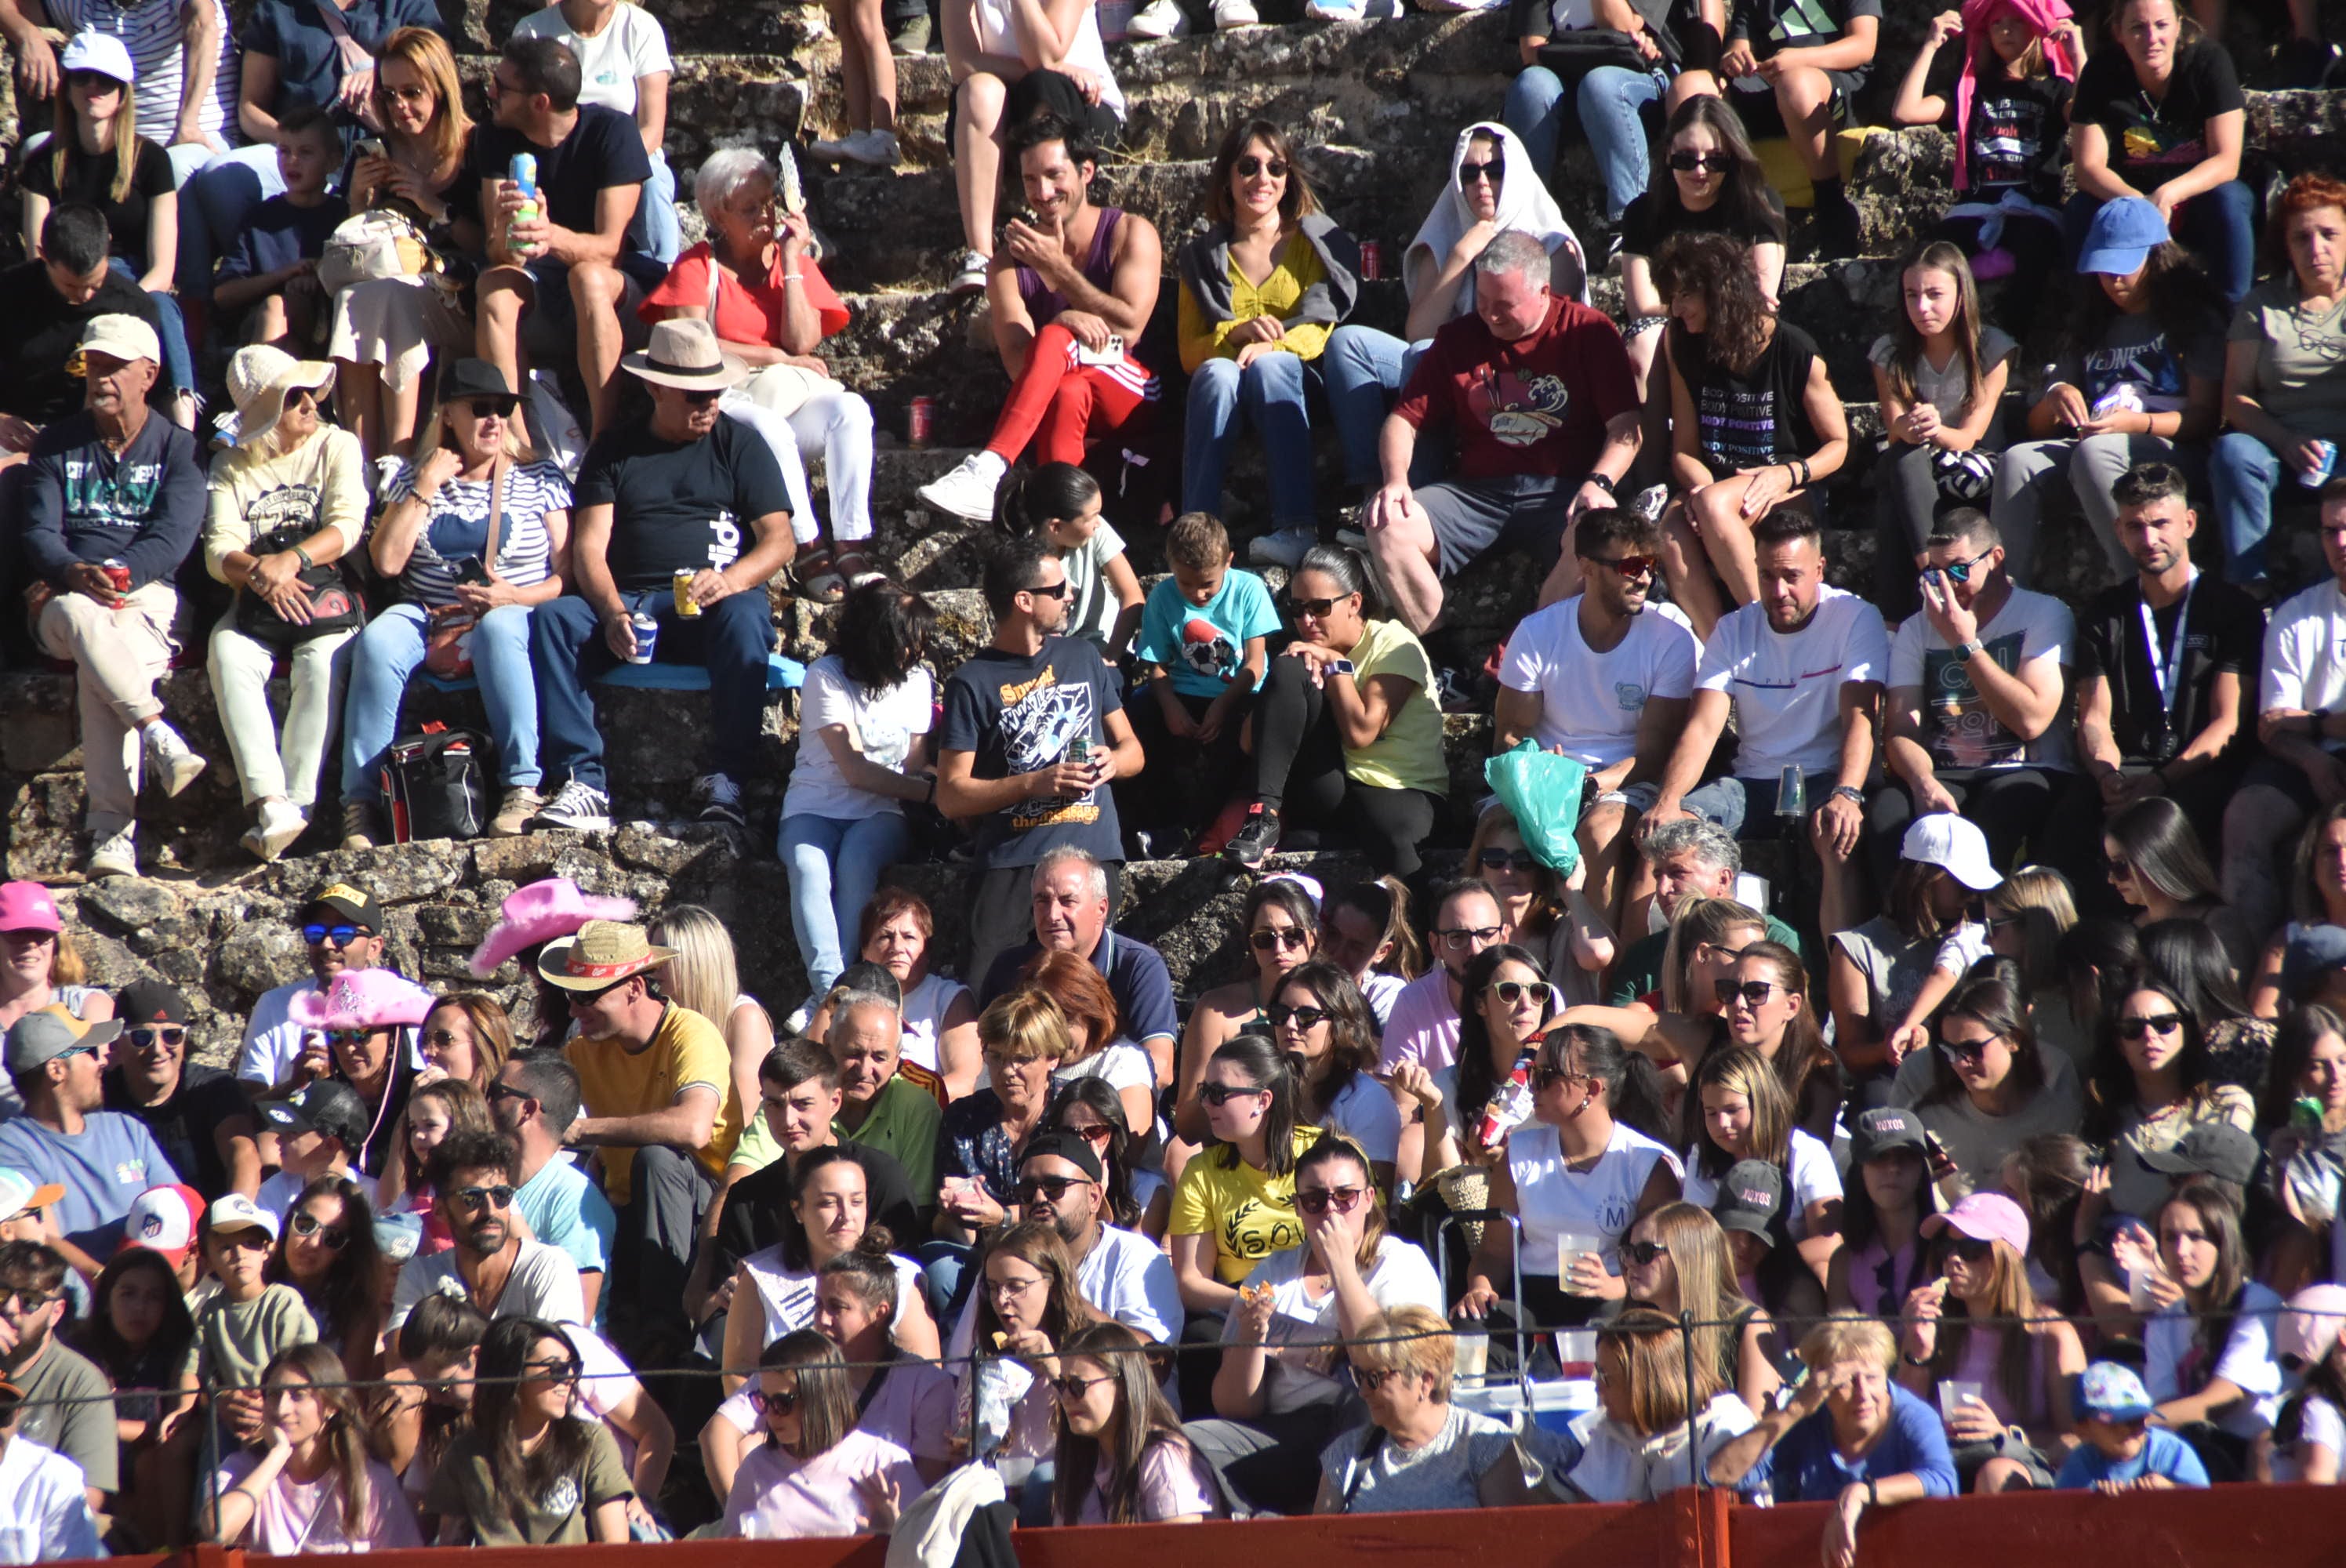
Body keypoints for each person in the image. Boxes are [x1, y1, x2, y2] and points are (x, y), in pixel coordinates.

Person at [527, 316, 795, 833]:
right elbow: (589, 546)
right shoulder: (615, 450)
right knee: (557, 619)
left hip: (710, 604)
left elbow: (780, 540)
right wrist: (612, 612)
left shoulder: (740, 444)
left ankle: (728, 777)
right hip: (633, 603)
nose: (709, 405)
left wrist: (732, 579)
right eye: (695, 397)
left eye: (715, 392)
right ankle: (583, 780)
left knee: (746, 613)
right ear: (655, 388)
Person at [340, 360, 572, 848]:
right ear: (448, 415)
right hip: (431, 613)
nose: (494, 420)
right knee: (379, 640)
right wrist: (425, 486)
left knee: (498, 628)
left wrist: (513, 596)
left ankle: (523, 787)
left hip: (512, 609)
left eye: (503, 409)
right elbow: (386, 562)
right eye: (480, 409)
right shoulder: (414, 477)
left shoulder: (540, 476)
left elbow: (566, 576)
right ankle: (359, 805)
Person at [1364, 229, 1639, 639]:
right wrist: (1396, 481)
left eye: (1504, 306)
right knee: (1386, 523)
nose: (1490, 316)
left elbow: (1626, 427)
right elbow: (1404, 420)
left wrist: (1599, 482)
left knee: (1597, 533)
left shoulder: (1589, 332)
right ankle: (1440, 657)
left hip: (1561, 492)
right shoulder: (1459, 338)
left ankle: (1530, 646)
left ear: (1544, 291)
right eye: (1483, 301)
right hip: (1478, 494)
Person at [14, 312, 205, 880]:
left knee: (105, 671)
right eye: (94, 363)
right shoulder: (56, 444)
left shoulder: (178, 450)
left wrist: (117, 577)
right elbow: (37, 532)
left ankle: (109, 835)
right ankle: (155, 732)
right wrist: (75, 572)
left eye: (116, 366)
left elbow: (173, 539)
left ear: (149, 374)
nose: (101, 377)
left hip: (145, 599)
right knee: (80, 615)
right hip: (63, 599)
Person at [1649, 508, 1885, 946]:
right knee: (1673, 834)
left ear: (1819, 570)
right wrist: (1669, 800)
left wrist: (1847, 793)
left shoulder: (1854, 618)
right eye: (1766, 577)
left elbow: (1860, 717)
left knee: (1835, 835)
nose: (1778, 592)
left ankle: (1842, 973)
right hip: (1753, 782)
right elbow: (1703, 726)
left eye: (1792, 577)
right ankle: (1667, 967)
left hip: (1824, 777)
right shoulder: (1734, 629)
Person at [1322, 122, 1589, 506]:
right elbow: (1419, 329)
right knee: (1350, 344)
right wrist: (1462, 255)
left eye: (1495, 171)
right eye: (1470, 172)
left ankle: (1417, 495)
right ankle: (1372, 490)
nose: (1482, 182)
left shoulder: (1551, 243)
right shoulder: (1450, 227)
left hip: (1512, 373)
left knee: (1422, 355)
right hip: (1443, 359)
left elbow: (1550, 337)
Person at [940, 539, 1147, 991]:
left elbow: (1133, 751)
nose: (1070, 593)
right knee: (985, 995)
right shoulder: (971, 682)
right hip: (1012, 860)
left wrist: (1112, 761)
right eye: (1059, 588)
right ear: (1024, 601)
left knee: (1084, 995)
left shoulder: (1083, 657)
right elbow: (950, 794)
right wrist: (1034, 782)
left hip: (1090, 853)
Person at [1189, 1134, 1436, 1513]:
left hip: (1366, 1423)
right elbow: (1233, 1406)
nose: (1331, 1212)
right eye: (1316, 1200)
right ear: (1299, 1208)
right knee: (1184, 1444)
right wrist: (1251, 1339)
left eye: (1345, 1197)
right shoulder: (1274, 1272)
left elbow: (1388, 1367)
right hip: (1284, 1428)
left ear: (1369, 1199)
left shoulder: (1400, 1264)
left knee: (1368, 1412)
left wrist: (1341, 1268)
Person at [920, 117, 1155, 510]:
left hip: (1133, 390)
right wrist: (1060, 327)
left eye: (1054, 175)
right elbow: (1017, 365)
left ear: (1086, 172)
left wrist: (1060, 274)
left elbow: (1128, 330)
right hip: (1069, 392)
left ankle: (991, 466)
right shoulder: (1006, 264)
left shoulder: (1130, 232)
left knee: (1056, 338)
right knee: (1065, 388)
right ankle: (1063, 527)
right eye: (1030, 180)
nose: (1043, 193)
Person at [1993, 198, 2226, 579]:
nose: (2113, 279)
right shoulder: (2091, 323)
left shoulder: (2195, 319)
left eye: (2124, 267)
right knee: (2018, 461)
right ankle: (2004, 596)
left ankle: (2138, 585)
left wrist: (2136, 424)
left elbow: (2205, 418)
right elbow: (2039, 429)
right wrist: (2056, 397)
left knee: (2095, 453)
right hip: (2099, 445)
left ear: (2156, 258)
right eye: (2103, 269)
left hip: (2173, 450)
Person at [2055, 463, 2257, 895]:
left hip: (2201, 769)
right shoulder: (2104, 614)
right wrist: (2107, 774)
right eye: (2135, 526)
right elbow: (2093, 718)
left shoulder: (2232, 610)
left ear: (2189, 523)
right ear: (2119, 530)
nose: (2149, 539)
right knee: (2069, 817)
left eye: (2161, 523)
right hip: (2127, 770)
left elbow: (2227, 723)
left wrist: (2163, 781)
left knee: (2164, 822)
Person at [1496, 506, 1699, 927]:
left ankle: (1599, 981)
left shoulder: (1671, 638)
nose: (1644, 578)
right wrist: (1542, 776)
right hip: (1546, 773)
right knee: (1497, 839)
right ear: (1586, 566)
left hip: (1625, 779)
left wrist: (1585, 787)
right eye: (1630, 566)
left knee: (1600, 832)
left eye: (1651, 565)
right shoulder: (1537, 634)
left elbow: (1655, 752)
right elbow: (1510, 737)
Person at [201, 343, 365, 863]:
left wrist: (290, 560)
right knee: (227, 651)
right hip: (256, 597)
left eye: (308, 395)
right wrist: (261, 572)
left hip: (323, 590)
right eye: (295, 399)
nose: (311, 406)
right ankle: (271, 801)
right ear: (269, 411)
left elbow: (347, 524)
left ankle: (299, 802)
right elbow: (218, 548)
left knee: (322, 662)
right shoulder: (230, 464)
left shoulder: (337, 445)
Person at [546, 920, 739, 1358]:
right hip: (628, 1211)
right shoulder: (582, 1050)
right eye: (569, 998)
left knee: (658, 1159)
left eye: (587, 997)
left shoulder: (690, 1032)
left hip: (701, 1211)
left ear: (634, 988)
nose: (575, 1011)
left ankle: (667, 1332)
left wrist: (585, 1130)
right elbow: (538, 1105)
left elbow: (693, 1128)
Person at [1175, 120, 1358, 566]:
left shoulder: (1314, 244)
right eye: (1249, 166)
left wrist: (1272, 347)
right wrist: (1233, 334)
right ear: (1228, 177)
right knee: (1216, 372)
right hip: (1228, 383)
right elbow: (1188, 351)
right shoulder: (1201, 258)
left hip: (1295, 381)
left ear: (1288, 177)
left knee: (1271, 367)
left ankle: (1296, 526)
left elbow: (1319, 326)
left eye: (1276, 167)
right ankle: (1196, 535)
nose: (1263, 179)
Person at [1651, 231, 1848, 637]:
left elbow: (1839, 443)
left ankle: (1773, 637)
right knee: (1670, 532)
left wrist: (1788, 473)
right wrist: (1701, 496)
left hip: (1785, 486)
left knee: (1716, 506)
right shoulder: (1681, 342)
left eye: (1686, 294)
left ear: (1719, 290)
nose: (1676, 308)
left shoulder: (1794, 349)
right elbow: (1684, 450)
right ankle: (1725, 649)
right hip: (1715, 489)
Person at [464, 35, 660, 440]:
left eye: (502, 87)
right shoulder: (495, 137)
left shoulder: (612, 132)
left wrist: (550, 237)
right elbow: (497, 253)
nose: (490, 92)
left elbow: (610, 249)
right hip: (542, 294)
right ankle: (516, 445)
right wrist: (506, 230)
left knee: (587, 277)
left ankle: (603, 442)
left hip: (615, 297)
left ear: (540, 102)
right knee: (494, 285)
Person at [1220, 546, 1449, 877]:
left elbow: (1361, 733)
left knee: (1390, 836)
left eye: (1319, 607)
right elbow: (1249, 743)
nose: (1307, 620)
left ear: (1354, 603)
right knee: (1289, 670)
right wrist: (1283, 679)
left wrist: (1338, 667)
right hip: (1338, 788)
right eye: (1297, 609)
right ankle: (1263, 816)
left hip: (1402, 788)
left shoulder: (1394, 643)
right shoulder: (1305, 654)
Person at [1453, 1023, 1683, 1348]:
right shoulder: (1519, 1153)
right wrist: (1480, 1288)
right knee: (1473, 1326)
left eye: (1546, 1077)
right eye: (1532, 1073)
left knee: (1612, 1326)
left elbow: (1667, 1264)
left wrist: (1616, 1286)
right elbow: (1494, 1253)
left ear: (1591, 1090)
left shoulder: (1647, 1165)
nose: (1533, 1086)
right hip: (1532, 1295)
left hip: (1612, 1298)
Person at [1874, 510, 2076, 879]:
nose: (1946, 587)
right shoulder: (1916, 628)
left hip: (2025, 768)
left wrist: (1964, 645)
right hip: (1946, 772)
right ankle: (1904, 927)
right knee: (1886, 816)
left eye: (1957, 570)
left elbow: (2031, 720)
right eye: (1934, 574)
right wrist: (1924, 783)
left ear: (1995, 560)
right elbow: (1901, 730)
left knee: (1997, 816)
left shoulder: (2044, 613)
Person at [778, 579, 937, 1016]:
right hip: (813, 807)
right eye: (907, 641)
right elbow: (854, 769)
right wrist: (932, 793)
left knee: (856, 862)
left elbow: (916, 759)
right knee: (809, 867)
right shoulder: (824, 676)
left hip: (881, 813)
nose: (915, 652)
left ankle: (833, 996)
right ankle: (834, 992)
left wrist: (936, 789)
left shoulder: (919, 681)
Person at [328, 27, 485, 466]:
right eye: (390, 93)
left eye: (412, 92)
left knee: (388, 296)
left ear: (441, 88)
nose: (399, 106)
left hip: (462, 298)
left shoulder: (476, 147)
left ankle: (394, 457)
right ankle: (362, 464)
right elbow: (353, 248)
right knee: (355, 296)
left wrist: (431, 205)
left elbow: (490, 245)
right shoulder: (377, 150)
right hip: (393, 293)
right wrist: (358, 199)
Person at [19, 31, 194, 422]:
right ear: (67, 88)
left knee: (162, 308)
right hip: (63, 278)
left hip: (133, 282)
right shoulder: (42, 163)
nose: (93, 88)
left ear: (123, 92)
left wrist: (121, 304)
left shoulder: (152, 161)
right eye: (82, 78)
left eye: (106, 80)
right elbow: (37, 254)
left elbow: (162, 269)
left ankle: (184, 420)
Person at [1892, 0, 2083, 337]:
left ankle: (2010, 344)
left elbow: (2089, 114)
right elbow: (1906, 112)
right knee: (1929, 257)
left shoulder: (2055, 89)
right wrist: (1930, 45)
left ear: (2037, 28)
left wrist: (2077, 54)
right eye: (1997, 24)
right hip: (1975, 210)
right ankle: (1941, 343)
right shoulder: (1971, 90)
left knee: (2035, 250)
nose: (2006, 31)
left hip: (2033, 212)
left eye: (2016, 22)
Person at [1613, 97, 1789, 425]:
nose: (1699, 170)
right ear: (1668, 154)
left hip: (1738, 325)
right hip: (1673, 326)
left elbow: (1763, 297)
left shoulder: (1760, 205)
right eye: (1686, 158)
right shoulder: (1643, 213)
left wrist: (1703, 309)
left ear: (1733, 159)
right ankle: (1649, 471)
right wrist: (1703, 308)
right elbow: (1642, 306)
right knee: (1643, 339)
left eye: (1715, 160)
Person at [1706, 1316, 1959, 1544]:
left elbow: (1943, 1481)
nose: (1863, 1394)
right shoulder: (1809, 1420)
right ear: (1820, 1384)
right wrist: (1794, 1411)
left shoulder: (1913, 1416)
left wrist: (1862, 1492)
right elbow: (1720, 1474)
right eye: (1846, 1382)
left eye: (1872, 1378)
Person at [1896, 1191, 2087, 1491]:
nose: (1953, 1259)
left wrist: (2004, 1434)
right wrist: (1918, 1348)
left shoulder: (2050, 1333)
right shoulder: (1936, 1327)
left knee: (1996, 1472)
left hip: (2022, 1470)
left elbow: (2078, 1438)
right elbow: (1901, 1427)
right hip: (1945, 1465)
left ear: (2007, 1255)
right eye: (1946, 1247)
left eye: (1971, 1248)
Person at [2065, 0, 2252, 306]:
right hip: (2129, 197)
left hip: (2195, 196)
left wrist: (2167, 195)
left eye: (2162, 25)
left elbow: (2226, 160)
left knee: (2229, 200)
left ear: (2179, 25)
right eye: (2137, 28)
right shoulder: (2100, 71)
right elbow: (2088, 168)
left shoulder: (2209, 61)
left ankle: (2232, 317)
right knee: (2080, 210)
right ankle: (2086, 324)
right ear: (2118, 33)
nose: (2152, 38)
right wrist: (2140, 207)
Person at [1868, 246, 2021, 621]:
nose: (1922, 308)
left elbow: (1971, 435)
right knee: (1901, 458)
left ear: (1960, 295)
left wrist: (1936, 430)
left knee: (1896, 489)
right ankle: (1932, 574)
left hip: (1972, 470)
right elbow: (1894, 430)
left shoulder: (1992, 348)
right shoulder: (1889, 353)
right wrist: (1910, 426)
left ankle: (1895, 616)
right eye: (1912, 295)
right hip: (1917, 468)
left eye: (1935, 295)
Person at [2211, 175, 2346, 588]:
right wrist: (2286, 441)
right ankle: (2250, 591)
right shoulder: (2262, 305)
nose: (2316, 249)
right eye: (2301, 238)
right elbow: (2235, 398)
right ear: (2286, 246)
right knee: (2232, 452)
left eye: (2329, 234)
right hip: (2276, 451)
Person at [1168, 1036, 1314, 1406]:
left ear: (1263, 1101)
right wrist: (1253, 1306)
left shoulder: (1322, 1154)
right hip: (1239, 1301)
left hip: (1317, 1296)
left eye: (1218, 1093)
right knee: (1200, 1336)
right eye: (1204, 1090)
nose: (1204, 1103)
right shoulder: (1202, 1172)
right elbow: (1189, 1281)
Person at [2229, 491, 2346, 945]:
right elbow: (2274, 725)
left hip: (2314, 735)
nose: (2340, 541)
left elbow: (2296, 718)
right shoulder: (2298, 614)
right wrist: (2313, 759)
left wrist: (2313, 722)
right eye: (2331, 530)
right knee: (2245, 816)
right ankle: (2250, 964)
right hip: (2306, 758)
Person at [1121, 512, 1277, 844]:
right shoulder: (1163, 598)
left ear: (1229, 562)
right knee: (1139, 717)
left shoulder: (1249, 590)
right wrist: (1170, 708)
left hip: (1238, 693)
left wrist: (1223, 704)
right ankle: (1145, 821)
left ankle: (1192, 830)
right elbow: (1157, 667)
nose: (1198, 595)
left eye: (1208, 584)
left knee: (1233, 742)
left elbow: (1255, 665)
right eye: (1186, 583)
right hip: (1182, 692)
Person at [0, 1007, 176, 1278]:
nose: (103, 1061)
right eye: (91, 1052)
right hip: (74, 1311)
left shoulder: (128, 1130)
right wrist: (110, 1288)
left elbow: (179, 1206)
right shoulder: (9, 1149)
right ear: (56, 1069)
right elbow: (41, 1239)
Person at [427, 1317, 632, 1543]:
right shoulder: (466, 1455)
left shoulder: (590, 1442)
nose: (569, 1379)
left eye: (572, 1366)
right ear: (512, 1373)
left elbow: (616, 1550)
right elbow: (450, 1550)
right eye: (556, 1368)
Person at [1698, 0, 1877, 257]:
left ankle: (1832, 207)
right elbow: (1739, 45)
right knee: (1698, 90)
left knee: (1795, 84)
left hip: (1834, 86)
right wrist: (1735, 59)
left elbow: (1863, 45)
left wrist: (1798, 59)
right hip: (1772, 86)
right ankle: (1707, 209)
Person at [1830, 814, 1999, 1079]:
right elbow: (1851, 1053)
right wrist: (1889, 1048)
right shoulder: (1856, 948)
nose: (1972, 894)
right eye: (1960, 882)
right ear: (1924, 878)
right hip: (1895, 1083)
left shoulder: (1980, 939)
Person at [209, 1341, 422, 1551]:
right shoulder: (243, 1468)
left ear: (331, 1406)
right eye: (274, 1395)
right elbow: (216, 1532)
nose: (282, 1409)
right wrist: (278, 1455)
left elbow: (408, 1559)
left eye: (298, 1395)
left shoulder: (371, 1480)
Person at [1313, 1305, 1522, 1514]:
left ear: (1425, 1381)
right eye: (1359, 1377)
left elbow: (1511, 1538)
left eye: (1375, 1378)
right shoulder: (1346, 1455)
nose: (1363, 1392)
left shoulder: (1484, 1444)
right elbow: (1320, 1543)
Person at [511, 0, 675, 263]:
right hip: (556, 156)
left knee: (654, 180)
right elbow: (522, 115)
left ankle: (666, 271)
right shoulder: (532, 30)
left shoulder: (641, 28)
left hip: (625, 160)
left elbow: (653, 131)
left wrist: (610, 169)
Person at [720, 1330, 921, 1537]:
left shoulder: (884, 1462)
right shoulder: (756, 1468)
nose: (770, 1414)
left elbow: (925, 1554)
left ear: (819, 1399)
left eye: (782, 1403)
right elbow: (728, 1555)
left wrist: (891, 1534)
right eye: (763, 1401)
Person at [2141, 1180, 2283, 1475]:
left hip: (2250, 1455)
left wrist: (2127, 1427)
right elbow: (2166, 1409)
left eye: (2196, 1237)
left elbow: (2220, 1400)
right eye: (2170, 1237)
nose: (2181, 1250)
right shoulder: (2162, 1323)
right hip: (2188, 1450)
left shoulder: (2258, 1304)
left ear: (2223, 1242)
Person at [1894, 973, 2085, 1191]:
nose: (1961, 1063)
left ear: (2014, 1039)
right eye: (1950, 1051)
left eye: (1973, 1049)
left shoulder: (2059, 1119)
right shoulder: (1927, 1123)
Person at [930, 989, 1067, 1283]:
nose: (1007, 1071)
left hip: (1060, 1254)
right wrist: (952, 1210)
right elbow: (944, 1230)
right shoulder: (964, 1117)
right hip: (983, 1257)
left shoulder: (1072, 1114)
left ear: (1052, 1058)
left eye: (1022, 1059)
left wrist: (1004, 1218)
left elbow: (1077, 1213)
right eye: (996, 1057)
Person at [387, 1130, 586, 1332]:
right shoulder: (422, 1274)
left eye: (501, 1195)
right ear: (440, 1210)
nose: (490, 1210)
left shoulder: (548, 1267)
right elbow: (399, 1359)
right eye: (472, 1198)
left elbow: (552, 1360)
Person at [1682, 1039, 1842, 1284]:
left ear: (1762, 1103)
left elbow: (1829, 1242)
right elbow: (1696, 1241)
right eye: (1711, 1112)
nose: (1722, 1123)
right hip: (1727, 1282)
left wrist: (1763, 1267)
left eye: (1733, 1110)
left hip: (1791, 1278)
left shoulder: (1806, 1151)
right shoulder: (1701, 1155)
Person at [234, 883, 419, 1096]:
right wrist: (296, 1085)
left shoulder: (409, 1004)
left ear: (374, 947)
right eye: (315, 933)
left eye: (343, 934)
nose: (326, 944)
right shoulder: (275, 1004)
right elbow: (248, 1100)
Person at [0, 206, 166, 442]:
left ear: (108, 246)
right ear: (43, 255)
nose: (86, 295)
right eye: (71, 286)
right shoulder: (9, 291)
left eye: (95, 285)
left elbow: (138, 396)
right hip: (15, 428)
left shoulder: (134, 307)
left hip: (93, 433)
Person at [1565, 1308, 1760, 1501]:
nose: (1597, 1387)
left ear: (1646, 1383)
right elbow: (1585, 1515)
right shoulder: (1610, 1434)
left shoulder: (1722, 1425)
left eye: (1606, 1377)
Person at [1605, 821, 1805, 1004]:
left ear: (1723, 879)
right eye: (1658, 877)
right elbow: (1616, 1033)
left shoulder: (1775, 938)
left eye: (1678, 873)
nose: (1662, 889)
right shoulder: (1643, 955)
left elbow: (1786, 1023)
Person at [1176, 880, 1322, 1129]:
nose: (1279, 948)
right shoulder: (1216, 1010)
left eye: (1292, 936)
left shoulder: (1336, 1003)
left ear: (1312, 938)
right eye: (1265, 938)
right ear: (1251, 945)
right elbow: (1188, 1121)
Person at [643, 905, 776, 1171]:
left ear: (695, 961)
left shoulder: (742, 1018)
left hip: (725, 1173)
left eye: (662, 959)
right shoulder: (664, 1020)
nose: (651, 970)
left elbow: (746, 1123)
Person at [1622, 1201, 1786, 1414]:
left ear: (1687, 1258)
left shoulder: (1748, 1325)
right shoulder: (1636, 1327)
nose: (1630, 1262)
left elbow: (1758, 1431)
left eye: (1644, 1252)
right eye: (1628, 1251)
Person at [104, 978, 260, 1200]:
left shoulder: (213, 1089)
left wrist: (234, 1222)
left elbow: (243, 1154)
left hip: (207, 1227)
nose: (158, 1050)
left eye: (172, 1035)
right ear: (117, 1043)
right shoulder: (101, 1098)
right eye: (142, 1037)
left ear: (185, 1038)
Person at [1052, 1320, 1221, 1523]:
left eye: (1079, 1385)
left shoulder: (1163, 1457)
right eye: (1062, 1385)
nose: (1066, 1397)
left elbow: (1183, 1550)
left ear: (1123, 1386)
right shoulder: (1080, 1459)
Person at [492, 1051, 617, 1321]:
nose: (485, 1101)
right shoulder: (484, 1183)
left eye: (496, 1092)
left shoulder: (574, 1200)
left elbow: (575, 1318)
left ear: (528, 1109)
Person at [209, 107, 347, 350]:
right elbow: (223, 295)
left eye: (305, 153)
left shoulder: (343, 216)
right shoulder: (261, 218)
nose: (292, 161)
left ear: (333, 161)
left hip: (326, 327)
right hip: (265, 328)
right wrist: (285, 275)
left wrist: (317, 274)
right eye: (284, 151)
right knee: (276, 308)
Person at [283, 967, 434, 1178]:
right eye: (337, 1034)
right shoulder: (323, 1098)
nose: (348, 1047)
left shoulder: (423, 1095)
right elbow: (273, 1148)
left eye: (361, 1033)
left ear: (394, 1037)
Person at [0, 1243, 115, 1517]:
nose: (11, 1308)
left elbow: (87, 1500)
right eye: (2, 1293)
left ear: (56, 1312)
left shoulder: (80, 1380)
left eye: (30, 1300)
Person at [992, 463, 1143, 659]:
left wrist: (1112, 655)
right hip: (1052, 654)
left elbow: (1132, 596)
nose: (1098, 522)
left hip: (1102, 646)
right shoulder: (1024, 559)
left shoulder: (1095, 531)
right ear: (1056, 527)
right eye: (1092, 517)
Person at [1274, 963, 1403, 1189]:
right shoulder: (1266, 1089)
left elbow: (1373, 1204)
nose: (1290, 1024)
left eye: (1306, 1016)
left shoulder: (1369, 1101)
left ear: (1340, 1022)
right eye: (1280, 1014)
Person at [1380, 878, 1509, 1075]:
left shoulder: (1535, 996)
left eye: (1486, 934)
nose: (1475, 949)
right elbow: (1402, 1102)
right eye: (1458, 937)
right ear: (1435, 945)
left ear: (1505, 937)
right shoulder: (1413, 1002)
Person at [1023, 950, 1154, 1141]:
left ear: (1092, 1015)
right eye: (1043, 1021)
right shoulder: (1012, 1061)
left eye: (1066, 1020)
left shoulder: (1121, 1061)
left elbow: (1128, 1146)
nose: (1053, 1033)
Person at [269, 1175, 384, 1369]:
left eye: (333, 1237)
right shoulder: (256, 1278)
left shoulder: (358, 1313)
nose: (313, 1243)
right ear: (289, 1224)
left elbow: (349, 1396)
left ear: (345, 1251)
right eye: (305, 1225)